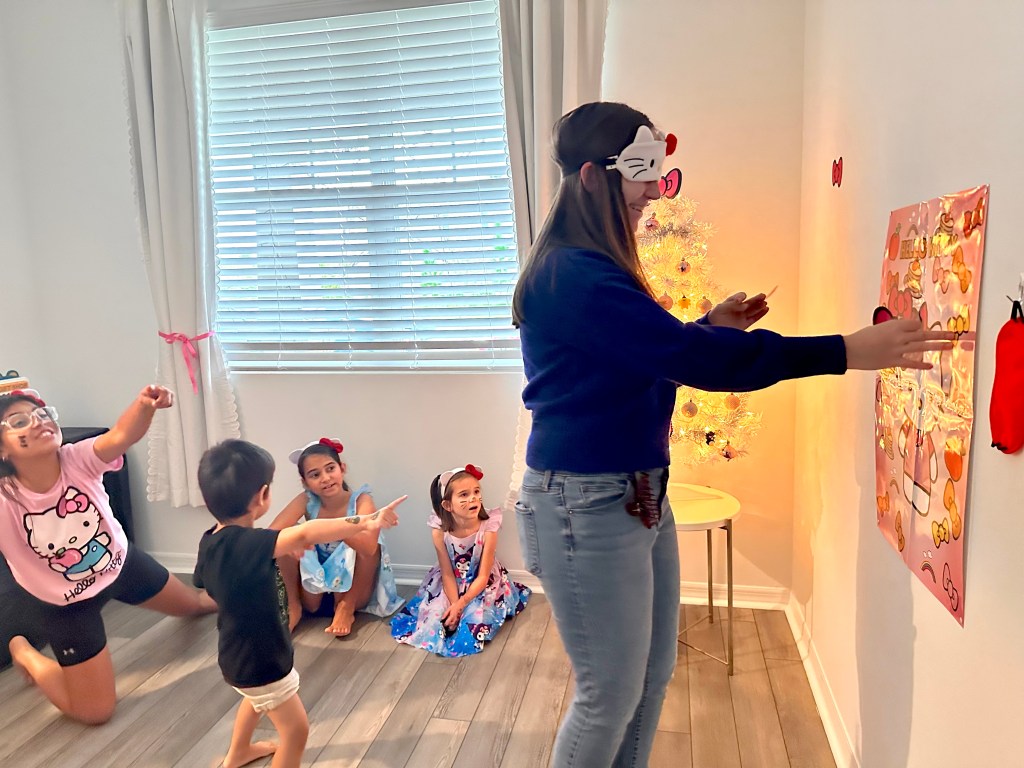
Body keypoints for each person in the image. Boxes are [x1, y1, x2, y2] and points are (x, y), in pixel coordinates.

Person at [510, 101, 955, 768]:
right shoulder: (575, 275)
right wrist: (847, 350)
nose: (653, 195)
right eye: (641, 176)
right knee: (608, 694)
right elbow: (690, 362)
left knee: (649, 678)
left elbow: (652, 357)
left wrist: (710, 326)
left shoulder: (597, 269)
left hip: (635, 496)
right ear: (593, 178)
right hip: (584, 503)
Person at [0, 385, 217, 725]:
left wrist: (145, 405)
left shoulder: (77, 458)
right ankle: (25, 652)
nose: (38, 421)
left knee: (199, 605)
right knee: (95, 712)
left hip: (122, 566)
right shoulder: (5, 499)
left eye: (43, 414)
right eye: (19, 421)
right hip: (66, 606)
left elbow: (120, 435)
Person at [194, 439, 403, 768]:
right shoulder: (260, 543)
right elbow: (307, 534)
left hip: (233, 654)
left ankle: (238, 754)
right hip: (263, 657)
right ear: (263, 497)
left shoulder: (209, 542)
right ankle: (242, 754)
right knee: (295, 731)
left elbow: (203, 584)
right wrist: (366, 522)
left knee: (254, 699)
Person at [390, 464, 530, 657]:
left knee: (475, 621)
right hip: (450, 582)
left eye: (476, 492)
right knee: (436, 617)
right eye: (463, 495)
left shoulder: (488, 527)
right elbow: (447, 572)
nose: (473, 498)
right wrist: (454, 605)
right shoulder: (439, 531)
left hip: (483, 582)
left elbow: (483, 575)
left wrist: (461, 605)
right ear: (447, 505)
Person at [269, 438, 403, 637]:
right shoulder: (307, 500)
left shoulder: (361, 499)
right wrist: (298, 537)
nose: (325, 478)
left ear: (342, 468)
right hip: (315, 587)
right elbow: (271, 535)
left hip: (351, 590)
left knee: (371, 538)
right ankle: (293, 607)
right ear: (305, 482)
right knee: (287, 536)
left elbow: (368, 548)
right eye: (315, 475)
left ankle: (346, 609)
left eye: (330, 469)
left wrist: (328, 529)